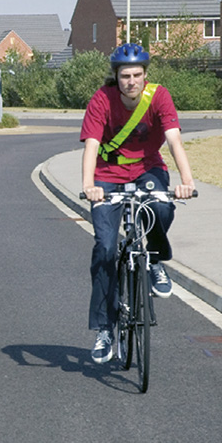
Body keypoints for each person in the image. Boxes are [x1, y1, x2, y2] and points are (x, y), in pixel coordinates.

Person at [80, 43, 196, 364]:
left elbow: (173, 139)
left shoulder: (159, 96)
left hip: (148, 168)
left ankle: (154, 260)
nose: (131, 81)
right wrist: (89, 185)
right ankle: (105, 329)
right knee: (104, 248)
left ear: (146, 75)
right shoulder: (101, 100)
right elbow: (91, 144)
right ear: (115, 76)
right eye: (125, 75)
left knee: (162, 206)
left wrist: (187, 181)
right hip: (108, 174)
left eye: (137, 75)